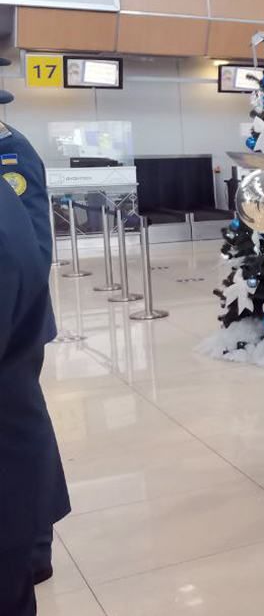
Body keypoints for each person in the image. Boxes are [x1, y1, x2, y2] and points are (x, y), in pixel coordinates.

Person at [0, 79, 71, 589]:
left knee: (24, 429)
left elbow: (30, 251)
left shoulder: (12, 154)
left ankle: (37, 541)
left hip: (15, 326)